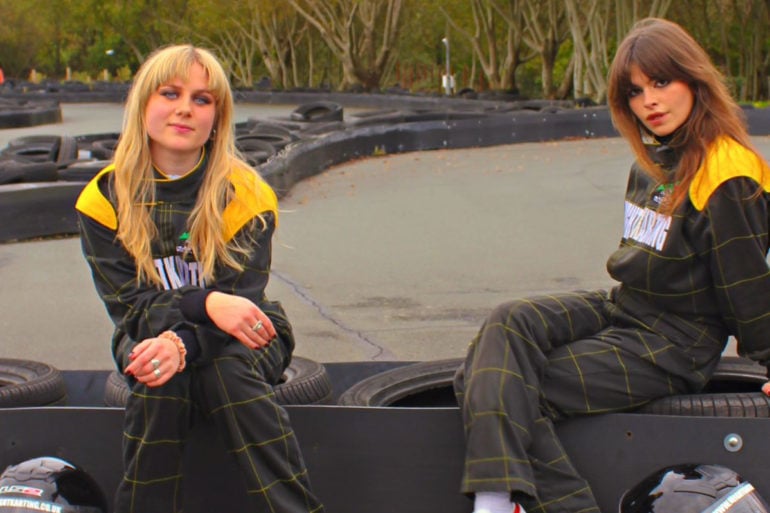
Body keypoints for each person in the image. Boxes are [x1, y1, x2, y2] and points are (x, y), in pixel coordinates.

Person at [453, 17, 770, 513]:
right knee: (507, 322)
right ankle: (499, 498)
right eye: (635, 92)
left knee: (499, 383)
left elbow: (749, 284)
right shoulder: (654, 159)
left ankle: (506, 503)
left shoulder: (726, 170)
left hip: (675, 343)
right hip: (625, 310)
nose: (650, 101)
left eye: (661, 82)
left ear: (694, 78)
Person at [75, 44, 324, 513]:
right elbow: (131, 307)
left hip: (249, 332)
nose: (186, 108)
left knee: (227, 371)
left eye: (203, 99)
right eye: (171, 93)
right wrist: (201, 308)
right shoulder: (103, 199)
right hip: (148, 332)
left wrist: (187, 340)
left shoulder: (246, 192)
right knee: (156, 375)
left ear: (218, 116)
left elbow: (241, 301)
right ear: (144, 101)